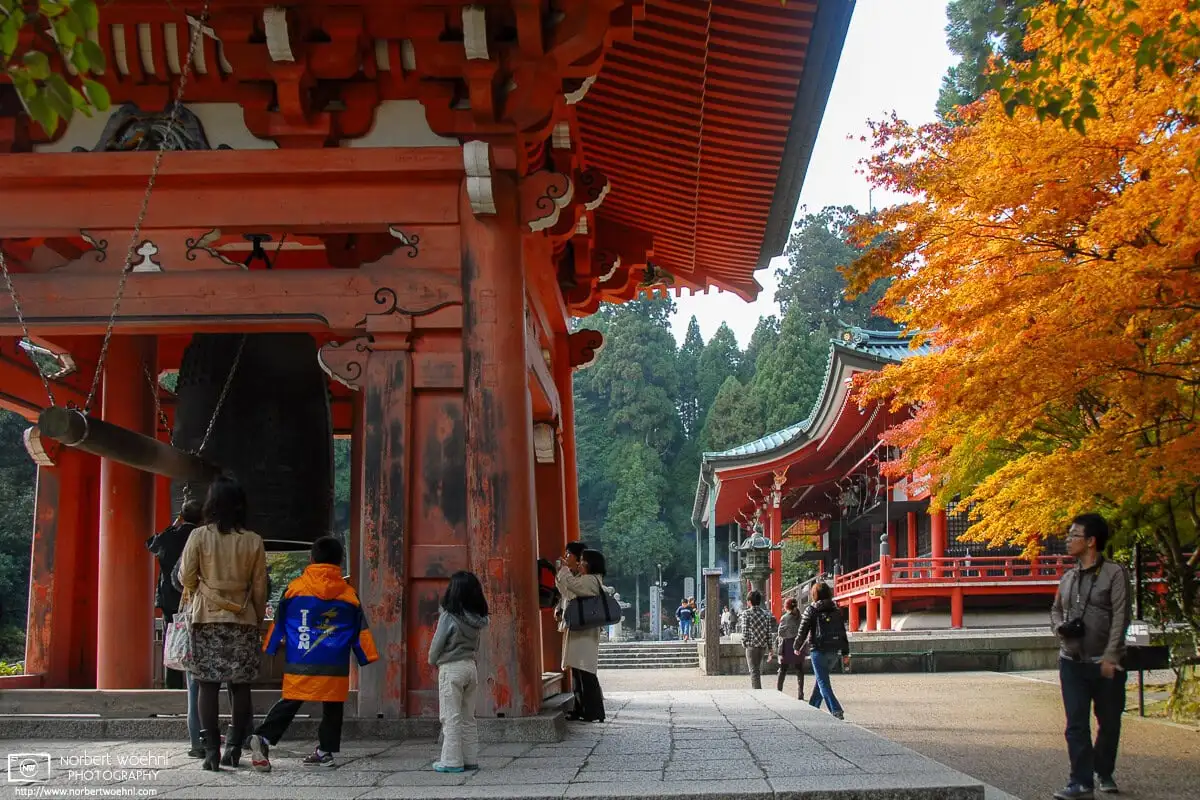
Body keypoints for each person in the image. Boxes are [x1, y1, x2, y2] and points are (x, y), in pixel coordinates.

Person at [245, 535, 378, 772]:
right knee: (333, 706)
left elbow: (279, 622)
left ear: (311, 559)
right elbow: (360, 630)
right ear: (340, 561)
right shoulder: (348, 594)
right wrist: (365, 656)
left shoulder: (294, 589)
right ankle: (325, 752)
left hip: (300, 660)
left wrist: (270, 647)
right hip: (334, 664)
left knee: (291, 700)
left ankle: (264, 737)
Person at [179, 475, 268, 771]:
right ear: (241, 505)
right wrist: (257, 618)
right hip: (243, 619)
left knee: (207, 685)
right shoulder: (253, 540)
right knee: (240, 686)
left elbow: (185, 577)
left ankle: (210, 752)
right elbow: (259, 587)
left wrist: (202, 588)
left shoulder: (199, 536)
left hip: (206, 619)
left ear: (212, 503)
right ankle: (233, 748)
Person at [1050, 513, 1131, 800]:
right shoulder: (1068, 577)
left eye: (1074, 535)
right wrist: (1060, 628)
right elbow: (1056, 609)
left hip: (1105, 662)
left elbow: (1121, 615)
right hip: (1072, 660)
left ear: (1091, 541)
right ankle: (1081, 782)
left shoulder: (1114, 574)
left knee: (1109, 722)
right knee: (1076, 724)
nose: (1068, 540)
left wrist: (1112, 654)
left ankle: (1104, 770)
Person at [428, 571, 490, 773]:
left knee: (450, 717)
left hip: (451, 668)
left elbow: (437, 643)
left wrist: (432, 660)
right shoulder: (477, 619)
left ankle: (451, 761)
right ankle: (470, 758)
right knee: (468, 717)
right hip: (470, 667)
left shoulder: (448, 616)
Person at [147, 499, 203, 690]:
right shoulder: (202, 537)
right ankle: (197, 685)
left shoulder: (169, 537)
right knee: (199, 641)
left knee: (172, 640)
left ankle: (173, 686)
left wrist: (173, 525)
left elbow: (152, 545)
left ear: (181, 517)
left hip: (170, 599)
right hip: (196, 597)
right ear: (202, 518)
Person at [556, 549, 607, 722]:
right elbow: (568, 592)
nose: (580, 564)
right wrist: (562, 575)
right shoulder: (585, 580)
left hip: (585, 632)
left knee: (586, 672)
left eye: (583, 561)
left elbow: (572, 585)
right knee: (578, 672)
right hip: (581, 630)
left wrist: (564, 570)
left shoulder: (591, 580)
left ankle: (593, 711)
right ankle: (581, 709)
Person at [795, 582, 849, 719]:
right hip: (834, 650)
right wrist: (845, 653)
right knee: (821, 680)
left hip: (818, 649)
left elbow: (802, 630)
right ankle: (813, 707)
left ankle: (836, 710)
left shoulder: (811, 609)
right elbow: (842, 632)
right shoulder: (836, 610)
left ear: (815, 594)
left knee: (823, 682)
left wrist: (796, 646)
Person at [738, 590, 777, 690]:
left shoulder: (746, 613)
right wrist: (770, 648)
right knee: (757, 670)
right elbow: (768, 632)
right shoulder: (766, 614)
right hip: (762, 646)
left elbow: (745, 630)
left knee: (753, 671)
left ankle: (757, 692)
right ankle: (757, 690)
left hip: (751, 646)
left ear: (750, 601)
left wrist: (744, 643)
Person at [775, 597, 805, 698]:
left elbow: (780, 633)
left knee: (783, 669)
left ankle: (779, 691)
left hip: (787, 644)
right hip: (799, 645)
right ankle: (800, 692)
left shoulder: (785, 618)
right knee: (799, 668)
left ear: (786, 607)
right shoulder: (801, 617)